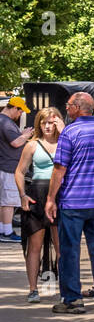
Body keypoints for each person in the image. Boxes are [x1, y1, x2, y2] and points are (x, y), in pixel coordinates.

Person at [46, 92, 94, 313]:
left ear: (78, 107)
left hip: (73, 202)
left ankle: (73, 300)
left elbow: (60, 169)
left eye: (68, 106)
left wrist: (50, 199)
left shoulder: (70, 132)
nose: (66, 109)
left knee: (69, 251)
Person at [14, 106, 62, 300]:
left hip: (60, 195)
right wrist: (22, 195)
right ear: (39, 124)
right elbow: (19, 172)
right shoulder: (32, 145)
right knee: (34, 245)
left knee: (61, 246)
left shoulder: (66, 143)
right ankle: (33, 289)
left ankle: (63, 289)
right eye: (44, 122)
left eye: (52, 122)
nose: (48, 126)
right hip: (36, 195)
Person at [0, 95, 34, 242]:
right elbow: (14, 143)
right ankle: (7, 232)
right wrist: (26, 135)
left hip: (5, 165)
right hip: (8, 167)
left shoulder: (3, 121)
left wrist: (21, 134)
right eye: (20, 112)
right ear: (14, 108)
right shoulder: (6, 122)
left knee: (4, 201)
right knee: (9, 201)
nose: (20, 115)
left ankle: (3, 229)